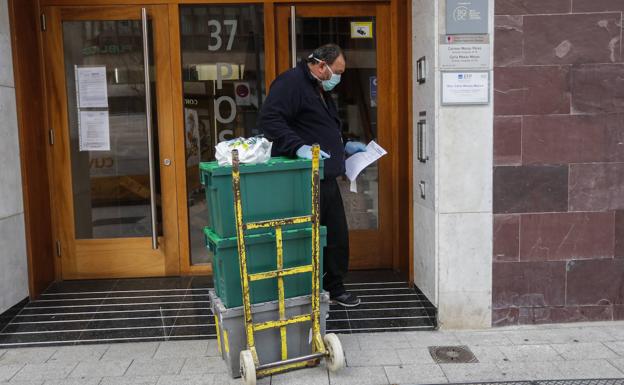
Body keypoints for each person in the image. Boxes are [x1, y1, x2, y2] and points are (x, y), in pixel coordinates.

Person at [256, 44, 366, 307]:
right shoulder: (291, 83)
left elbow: (317, 126)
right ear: (321, 66)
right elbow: (270, 120)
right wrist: (298, 147)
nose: (338, 78)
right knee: (311, 235)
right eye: (336, 72)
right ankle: (312, 288)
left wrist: (343, 144)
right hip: (306, 178)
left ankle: (334, 286)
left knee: (336, 235)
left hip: (325, 176)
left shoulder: (317, 88)